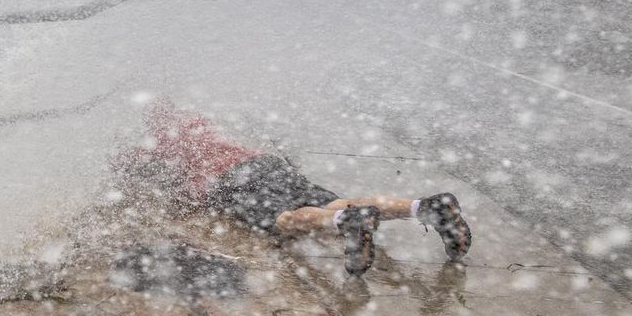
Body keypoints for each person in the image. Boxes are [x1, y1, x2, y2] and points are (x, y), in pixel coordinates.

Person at [114, 100, 471, 275]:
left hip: (232, 183)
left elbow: (128, 171)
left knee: (284, 219)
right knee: (338, 200)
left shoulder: (160, 141)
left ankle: (345, 224)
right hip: (268, 163)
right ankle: (425, 207)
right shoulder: (201, 123)